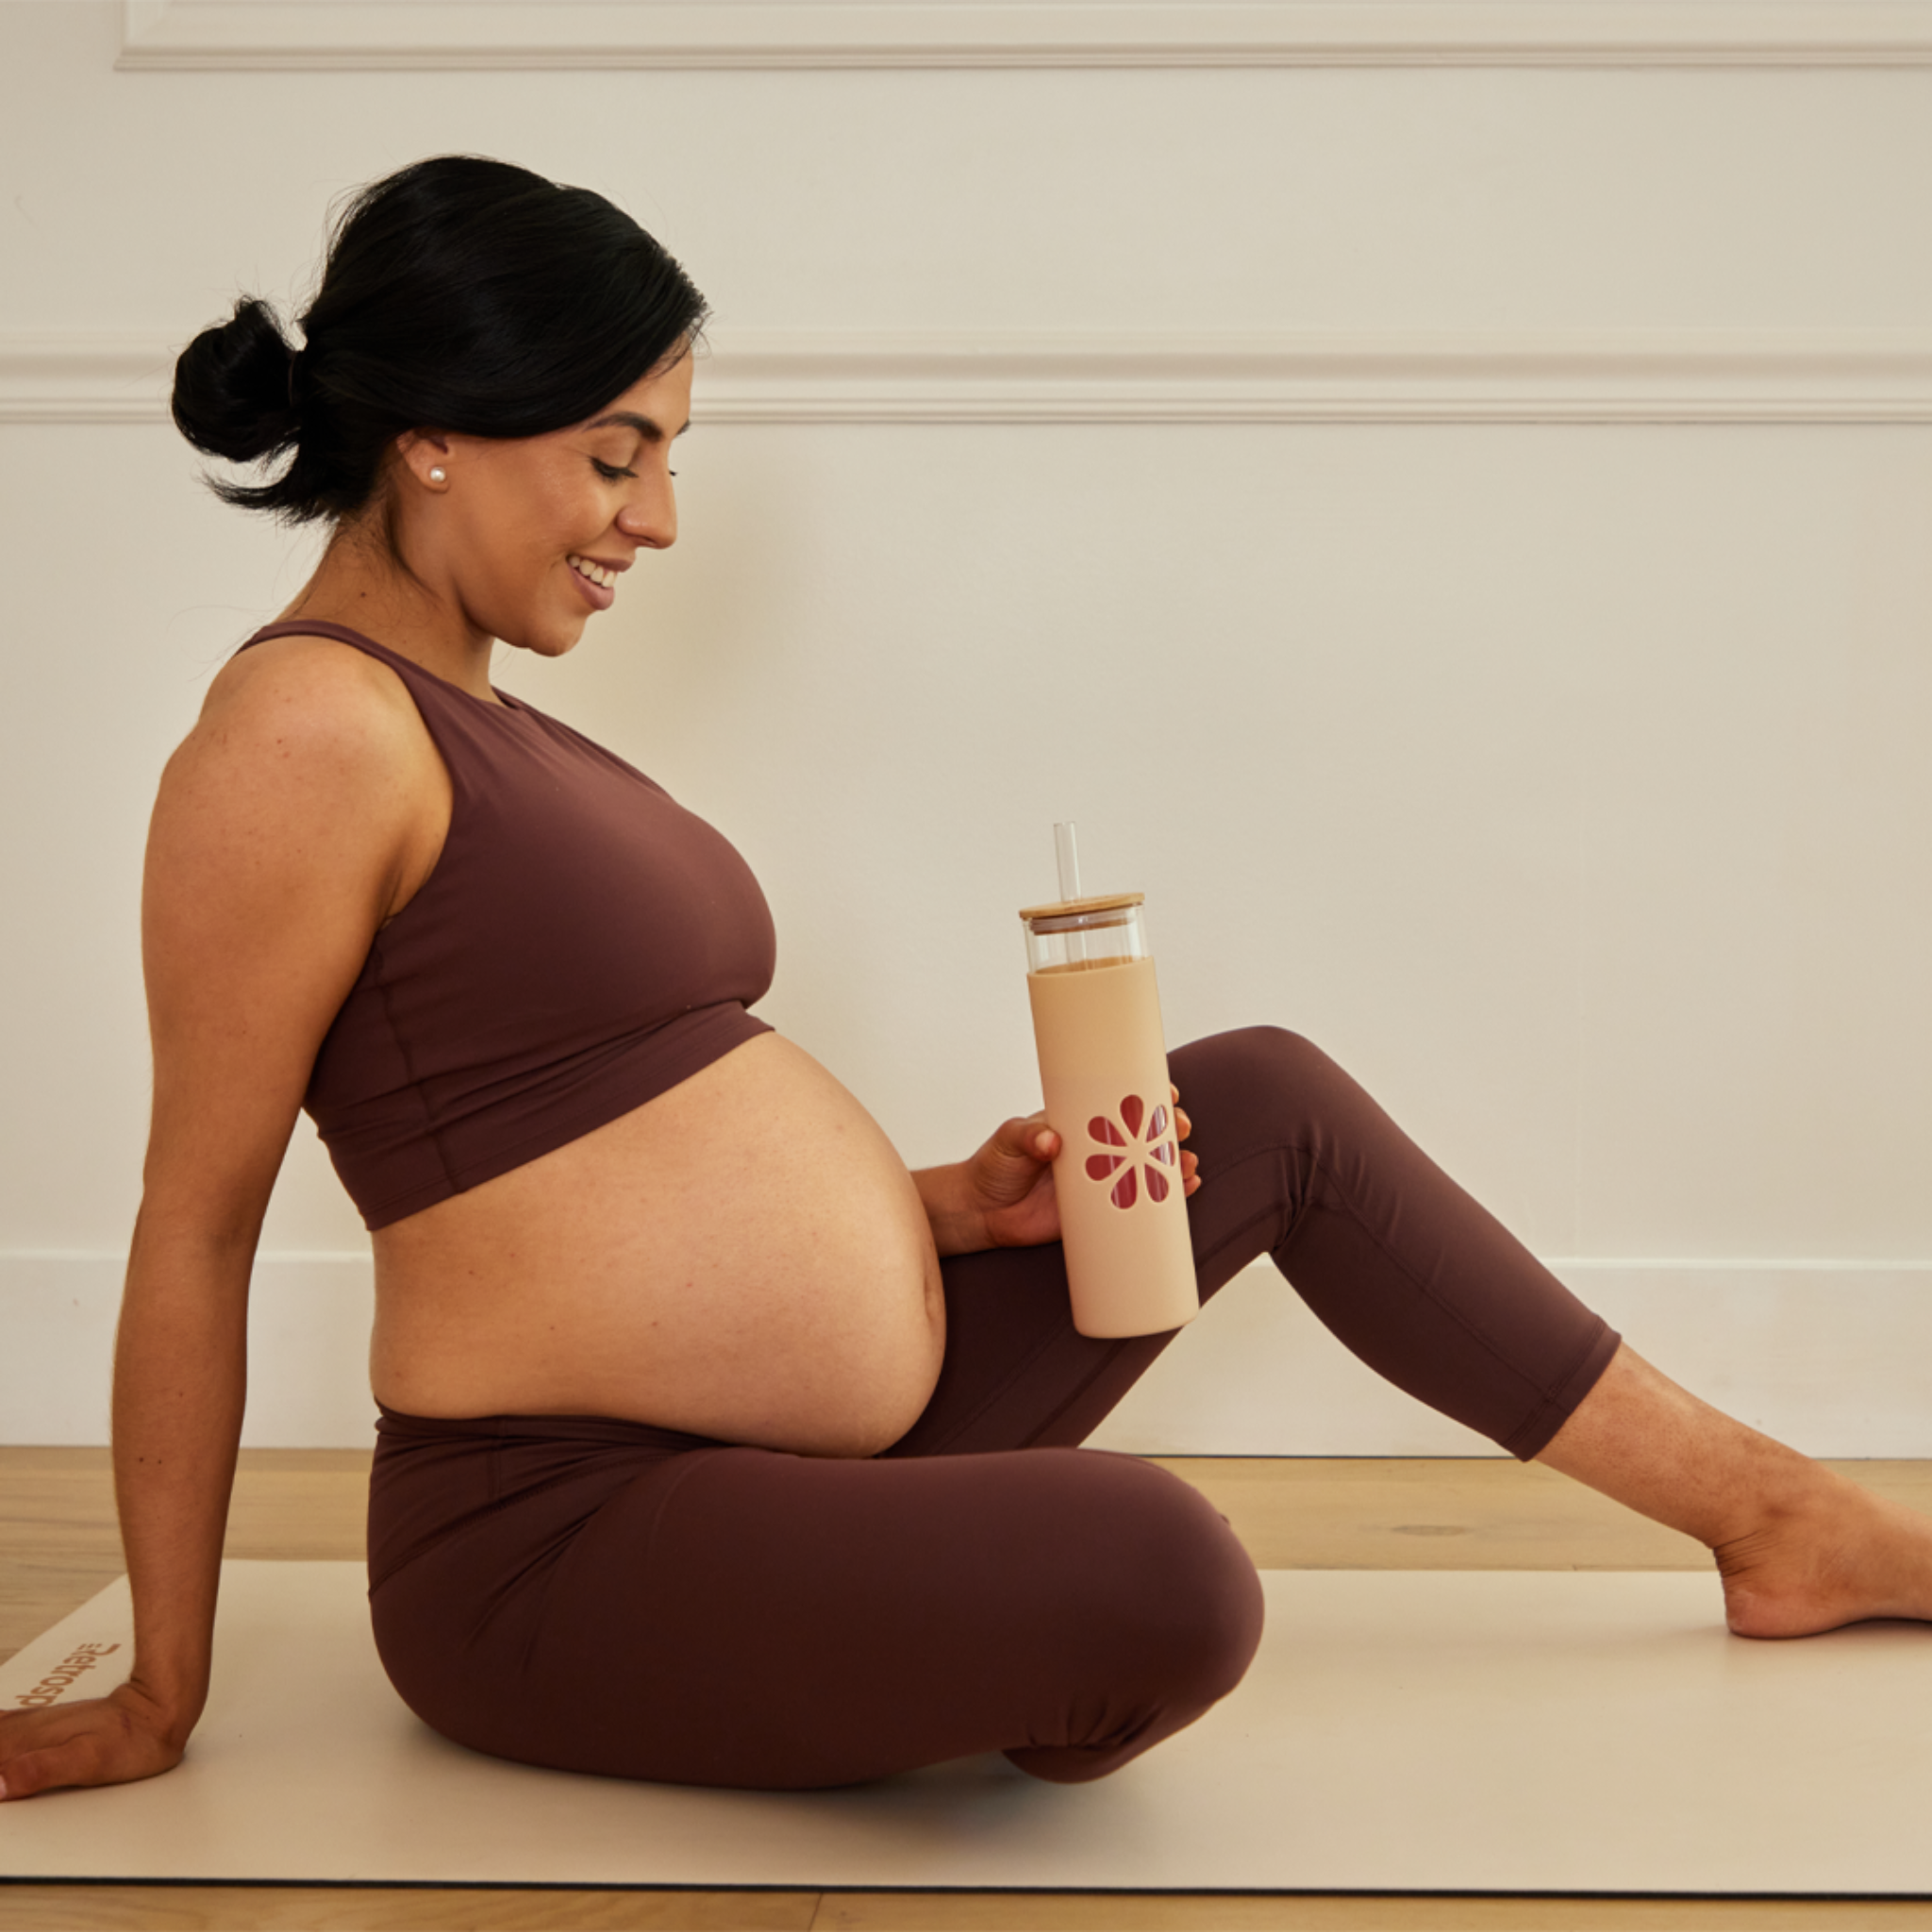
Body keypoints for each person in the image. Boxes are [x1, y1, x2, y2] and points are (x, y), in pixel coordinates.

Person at [2, 155, 1928, 1804]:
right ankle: (923, 1631)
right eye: (616, 453)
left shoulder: (468, 719)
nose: (657, 519)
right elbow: (196, 1220)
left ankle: (1783, 1522)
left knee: (1264, 1104)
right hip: (554, 1539)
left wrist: (924, 1209)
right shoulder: (302, 739)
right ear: (432, 434)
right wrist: (161, 1686)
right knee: (1167, 1571)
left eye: (667, 456)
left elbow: (566, 1145)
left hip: (765, 1450)